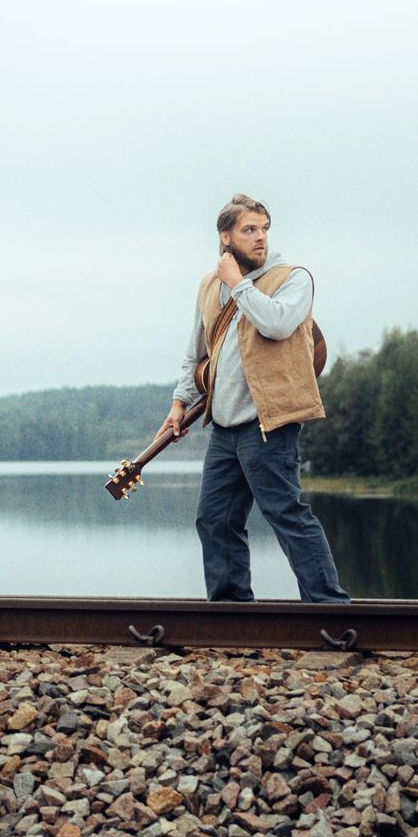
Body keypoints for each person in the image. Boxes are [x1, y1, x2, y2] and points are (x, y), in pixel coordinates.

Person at [158, 194, 351, 604]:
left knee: (288, 516)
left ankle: (331, 610)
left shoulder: (293, 278)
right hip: (224, 429)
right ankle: (231, 614)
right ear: (225, 237)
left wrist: (238, 284)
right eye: (249, 230)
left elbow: (277, 324)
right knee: (215, 521)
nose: (260, 237)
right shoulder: (209, 286)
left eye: (264, 229)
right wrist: (179, 404)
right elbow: (197, 354)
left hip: (270, 424)